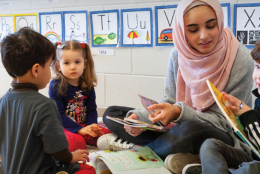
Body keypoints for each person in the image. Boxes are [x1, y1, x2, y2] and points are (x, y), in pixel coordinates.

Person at [99, 0, 254, 173]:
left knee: (190, 130)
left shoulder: (240, 59)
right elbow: (170, 100)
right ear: (182, 31)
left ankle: (137, 150)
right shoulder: (178, 54)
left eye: (211, 25)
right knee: (112, 114)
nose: (204, 35)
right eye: (193, 30)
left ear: (220, 20)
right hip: (179, 126)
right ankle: (180, 153)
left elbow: (225, 122)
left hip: (220, 134)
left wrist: (179, 113)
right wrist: (139, 118)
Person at [0, 27, 95, 174]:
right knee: (87, 170)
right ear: (36, 70)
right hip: (41, 170)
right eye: (50, 65)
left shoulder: (3, 101)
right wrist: (70, 157)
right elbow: (57, 150)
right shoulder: (45, 105)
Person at [182, 39, 260, 174]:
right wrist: (238, 120)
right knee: (210, 145)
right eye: (258, 67)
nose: (258, 76)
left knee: (249, 170)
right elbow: (252, 146)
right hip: (252, 159)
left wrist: (248, 116)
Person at [49, 40, 111, 152]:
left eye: (77, 62)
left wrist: (92, 126)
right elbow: (58, 115)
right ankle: (80, 138)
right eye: (67, 63)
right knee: (77, 143)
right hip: (64, 126)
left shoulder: (88, 85)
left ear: (85, 64)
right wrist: (79, 130)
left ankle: (85, 136)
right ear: (58, 66)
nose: (73, 67)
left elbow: (92, 110)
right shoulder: (55, 86)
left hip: (83, 125)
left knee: (106, 134)